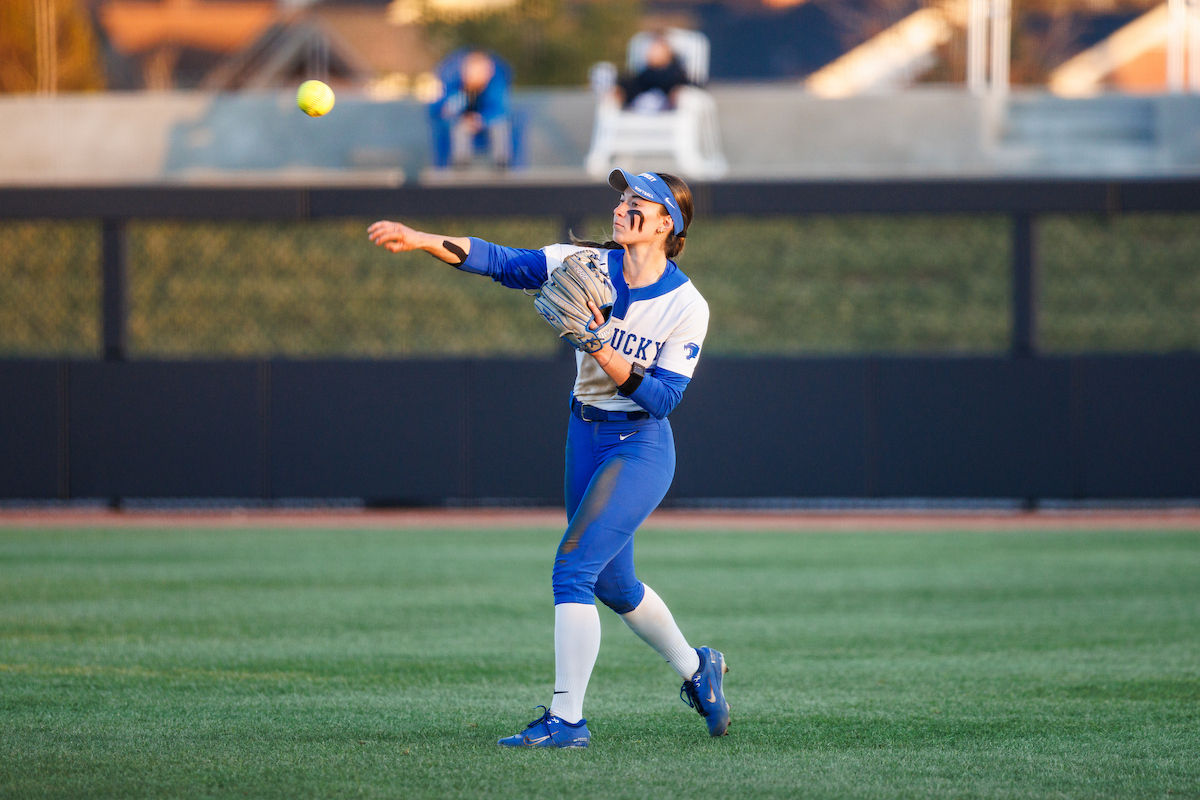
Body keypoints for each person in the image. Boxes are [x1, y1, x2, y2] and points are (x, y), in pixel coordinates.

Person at [367, 169, 729, 749]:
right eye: (622, 197)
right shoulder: (584, 264)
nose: (622, 207)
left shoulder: (687, 305)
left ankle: (567, 720)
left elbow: (663, 399)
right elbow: (501, 261)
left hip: (640, 443)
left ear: (668, 222)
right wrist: (421, 239)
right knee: (615, 585)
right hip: (584, 432)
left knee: (573, 570)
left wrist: (598, 344)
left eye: (639, 201)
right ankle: (697, 668)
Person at [428, 49, 513, 169]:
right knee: (460, 129)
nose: (478, 75)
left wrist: (481, 120)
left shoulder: (495, 88)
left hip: (487, 121)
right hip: (464, 122)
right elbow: (439, 108)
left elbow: (500, 110)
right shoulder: (456, 87)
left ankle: (501, 162)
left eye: (482, 71)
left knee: (499, 126)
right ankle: (461, 163)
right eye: (474, 71)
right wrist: (453, 109)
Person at [616, 34, 691, 112]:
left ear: (667, 54)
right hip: (640, 106)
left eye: (657, 51)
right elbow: (634, 85)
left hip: (665, 107)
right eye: (652, 50)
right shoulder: (646, 73)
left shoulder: (674, 73)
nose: (651, 53)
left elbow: (683, 85)